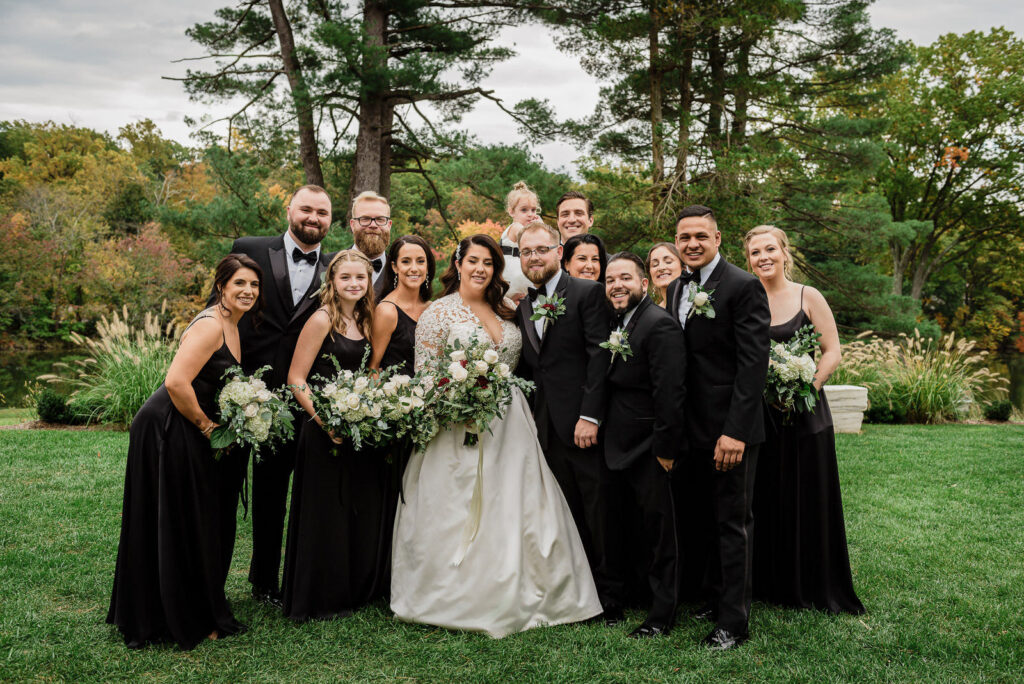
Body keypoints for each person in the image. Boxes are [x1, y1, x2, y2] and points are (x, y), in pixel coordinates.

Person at [390, 234, 602, 638]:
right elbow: (425, 375)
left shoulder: (508, 311)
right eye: (473, 260)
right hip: (456, 425)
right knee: (457, 505)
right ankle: (453, 595)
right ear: (459, 263)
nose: (480, 269)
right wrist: (456, 401)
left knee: (519, 505)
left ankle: (533, 590)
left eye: (488, 262)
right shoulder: (438, 313)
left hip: (510, 422)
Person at [107, 254, 261, 650]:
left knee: (193, 518)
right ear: (221, 285)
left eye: (254, 286)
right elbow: (176, 381)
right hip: (169, 426)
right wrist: (208, 427)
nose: (248, 291)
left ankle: (190, 604)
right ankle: (173, 615)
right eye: (239, 284)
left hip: (186, 426)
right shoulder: (211, 325)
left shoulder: (234, 324)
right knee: (178, 517)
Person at [219, 185, 334, 606]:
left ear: (330, 220)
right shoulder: (248, 248)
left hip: (290, 405)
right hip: (236, 391)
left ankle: (264, 582)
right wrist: (225, 380)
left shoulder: (334, 267)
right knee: (220, 490)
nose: (313, 218)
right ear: (289, 210)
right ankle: (208, 573)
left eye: (322, 212)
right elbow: (223, 306)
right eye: (306, 208)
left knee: (271, 495)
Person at [744, 225, 865, 615]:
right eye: (754, 253)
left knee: (807, 494)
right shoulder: (746, 299)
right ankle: (768, 582)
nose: (763, 258)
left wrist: (805, 388)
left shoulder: (806, 296)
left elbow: (832, 351)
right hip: (761, 414)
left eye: (769, 249)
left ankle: (814, 581)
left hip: (806, 411)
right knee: (764, 495)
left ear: (784, 252)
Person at [665, 205, 770, 650]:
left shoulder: (743, 287)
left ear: (718, 238)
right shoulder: (675, 288)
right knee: (701, 519)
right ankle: (712, 596)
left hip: (729, 429)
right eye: (684, 237)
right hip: (690, 428)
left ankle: (734, 621)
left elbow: (752, 365)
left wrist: (737, 432)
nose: (692, 244)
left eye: (700, 237)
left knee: (732, 522)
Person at [514, 221, 622, 624]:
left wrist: (589, 415)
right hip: (544, 428)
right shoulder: (525, 304)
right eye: (527, 252)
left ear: (559, 251)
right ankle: (578, 592)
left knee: (598, 510)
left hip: (582, 423)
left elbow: (599, 357)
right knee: (566, 512)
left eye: (542, 250)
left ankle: (611, 596)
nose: (535, 257)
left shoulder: (587, 293)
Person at [282, 250, 396, 620]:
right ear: (331, 281)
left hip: (358, 429)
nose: (354, 284)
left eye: (360, 278)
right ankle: (318, 596)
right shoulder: (321, 320)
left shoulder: (367, 319)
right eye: (345, 278)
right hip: (322, 431)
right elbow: (296, 379)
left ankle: (355, 589)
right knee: (324, 513)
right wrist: (324, 420)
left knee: (354, 509)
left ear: (369, 283)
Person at [603, 252, 686, 637]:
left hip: (650, 447)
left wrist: (665, 451)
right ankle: (634, 597)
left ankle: (662, 614)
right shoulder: (622, 321)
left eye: (625, 278)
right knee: (630, 527)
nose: (617, 285)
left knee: (659, 534)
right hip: (620, 444)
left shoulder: (659, 326)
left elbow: (671, 394)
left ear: (644, 284)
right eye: (610, 280)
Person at [369, 235, 435, 374]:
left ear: (427, 266)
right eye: (406, 262)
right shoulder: (387, 311)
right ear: (394, 267)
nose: (414, 268)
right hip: (395, 392)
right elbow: (372, 368)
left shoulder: (432, 308)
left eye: (420, 261)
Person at [499, 181, 539, 301]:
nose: (530, 214)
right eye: (524, 210)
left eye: (533, 210)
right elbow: (529, 239)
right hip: (510, 278)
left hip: (524, 281)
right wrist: (540, 227)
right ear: (511, 212)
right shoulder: (516, 227)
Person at [349, 190, 393, 300]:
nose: (373, 225)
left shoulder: (400, 271)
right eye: (365, 219)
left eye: (380, 219)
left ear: (389, 225)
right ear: (352, 225)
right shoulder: (328, 266)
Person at [646, 242, 683, 307]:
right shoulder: (653, 313)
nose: (661, 268)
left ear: (683, 267)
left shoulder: (698, 303)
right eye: (655, 265)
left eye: (668, 262)